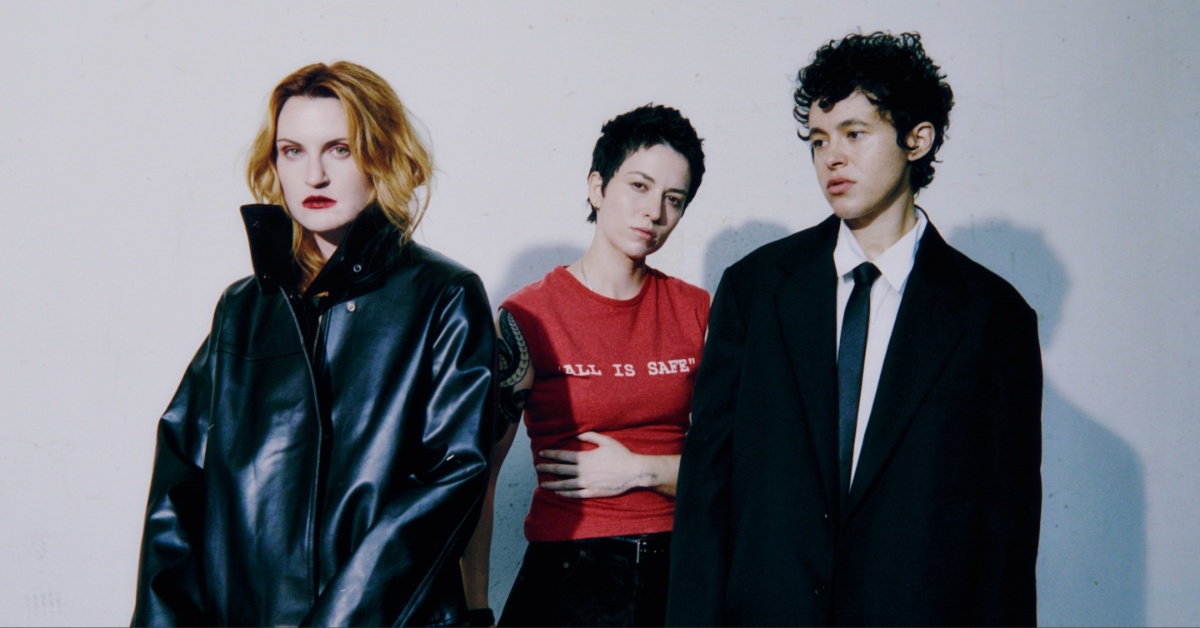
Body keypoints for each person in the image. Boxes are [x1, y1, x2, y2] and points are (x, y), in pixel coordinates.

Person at [668, 32, 1043, 626]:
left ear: (917, 139)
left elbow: (1006, 537)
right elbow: (707, 490)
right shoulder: (755, 289)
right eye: (819, 140)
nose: (831, 158)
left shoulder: (993, 318)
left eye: (854, 133)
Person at [131, 62, 496, 626]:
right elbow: (178, 492)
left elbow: (448, 483)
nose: (315, 175)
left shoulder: (442, 295)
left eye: (340, 150)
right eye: (293, 151)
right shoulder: (245, 307)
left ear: (383, 155)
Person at [460, 105, 709, 627]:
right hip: (571, 576)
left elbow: (743, 468)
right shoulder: (529, 316)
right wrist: (475, 609)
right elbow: (478, 477)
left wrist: (641, 469)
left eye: (674, 199)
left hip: (682, 570)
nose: (654, 212)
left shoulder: (698, 311)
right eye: (639, 186)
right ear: (597, 187)